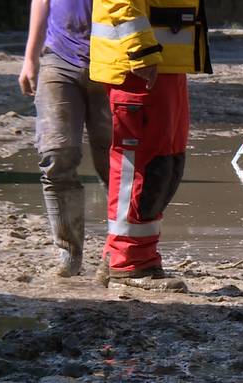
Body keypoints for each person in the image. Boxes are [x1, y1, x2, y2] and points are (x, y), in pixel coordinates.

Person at [90, 0, 212, 292]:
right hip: (139, 65)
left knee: (165, 164)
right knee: (141, 166)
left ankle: (123, 254)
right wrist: (142, 50)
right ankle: (130, 262)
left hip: (163, 61)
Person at [19, 0, 112, 278]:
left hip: (115, 63)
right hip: (59, 59)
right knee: (56, 154)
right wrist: (30, 57)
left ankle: (118, 252)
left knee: (116, 163)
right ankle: (69, 254)